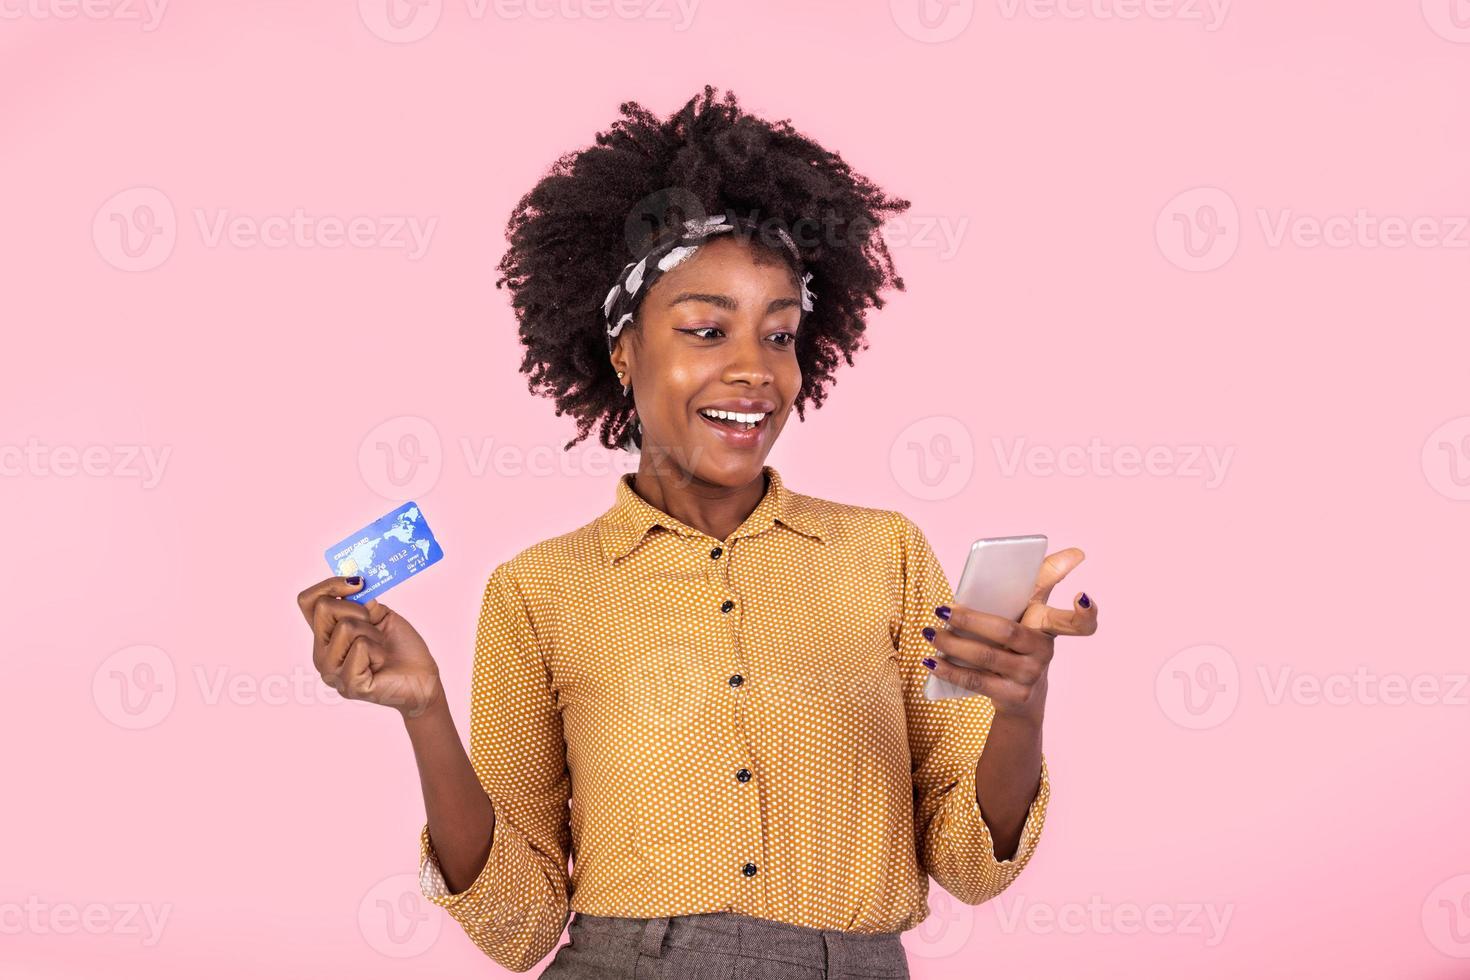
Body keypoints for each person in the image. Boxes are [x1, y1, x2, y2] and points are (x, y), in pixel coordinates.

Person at [296, 85, 1099, 979]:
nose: (754, 370)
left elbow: (966, 859)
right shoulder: (540, 590)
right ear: (624, 349)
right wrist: (424, 711)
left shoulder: (887, 556)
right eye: (707, 330)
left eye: (782, 335)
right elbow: (519, 926)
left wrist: (1021, 709)